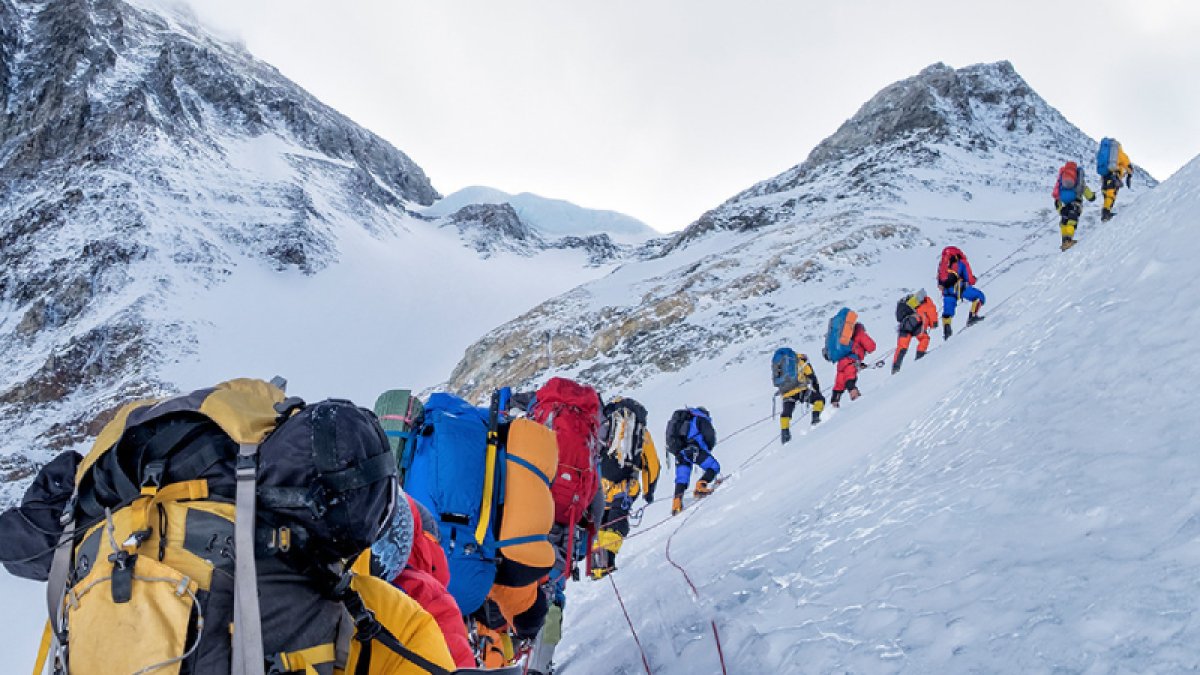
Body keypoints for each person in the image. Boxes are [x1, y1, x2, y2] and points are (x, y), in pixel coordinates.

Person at [591, 396, 660, 579]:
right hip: (626, 484)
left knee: (601, 521)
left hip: (601, 485)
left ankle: (596, 566)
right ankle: (607, 562)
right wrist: (649, 491)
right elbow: (652, 464)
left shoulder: (604, 427)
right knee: (617, 520)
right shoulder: (641, 432)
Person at [665, 407, 719, 515]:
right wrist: (706, 450)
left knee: (682, 478)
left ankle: (676, 503)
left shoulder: (683, 420)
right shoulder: (701, 419)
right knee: (714, 466)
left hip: (680, 453)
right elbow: (710, 436)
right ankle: (701, 486)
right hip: (693, 450)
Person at [773, 351, 825, 444]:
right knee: (819, 400)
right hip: (801, 390)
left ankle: (785, 435)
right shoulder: (801, 360)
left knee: (786, 413)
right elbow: (812, 377)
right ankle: (815, 419)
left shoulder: (780, 363)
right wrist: (818, 391)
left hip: (786, 393)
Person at [937, 246, 985, 339]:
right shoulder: (961, 262)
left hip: (947, 291)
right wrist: (973, 280)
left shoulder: (942, 265)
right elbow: (969, 279)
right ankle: (972, 316)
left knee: (947, 312)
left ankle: (947, 332)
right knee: (979, 297)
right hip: (960, 288)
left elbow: (940, 281)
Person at [1053, 161, 1096, 251]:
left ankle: (1064, 242)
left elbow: (1057, 194)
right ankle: (1068, 241)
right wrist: (1092, 197)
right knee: (1072, 220)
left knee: (1064, 221)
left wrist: (1060, 209)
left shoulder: (1062, 180)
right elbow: (1087, 193)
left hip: (1064, 204)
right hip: (1076, 203)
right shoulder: (1079, 181)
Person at [893, 289, 938, 373]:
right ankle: (920, 356)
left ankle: (895, 367)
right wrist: (934, 324)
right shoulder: (928, 303)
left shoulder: (910, 302)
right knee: (924, 339)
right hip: (916, 323)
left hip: (904, 324)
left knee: (902, 347)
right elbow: (932, 317)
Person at [830, 323, 876, 406]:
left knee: (839, 384)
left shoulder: (841, 337)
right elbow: (871, 347)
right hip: (851, 360)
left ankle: (834, 403)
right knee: (850, 380)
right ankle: (857, 401)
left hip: (841, 363)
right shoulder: (860, 333)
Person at [1096, 137, 1133, 222]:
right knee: (1111, 194)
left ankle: (1105, 212)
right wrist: (1130, 173)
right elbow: (1127, 163)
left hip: (1104, 176)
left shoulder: (1104, 153)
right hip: (1114, 176)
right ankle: (1106, 214)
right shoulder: (1119, 152)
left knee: (1106, 193)